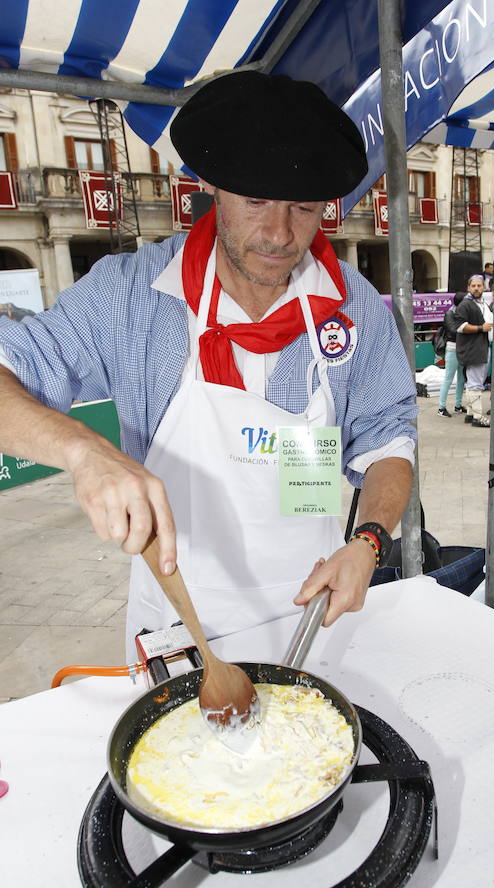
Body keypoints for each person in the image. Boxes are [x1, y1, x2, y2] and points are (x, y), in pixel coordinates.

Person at [0, 71, 417, 662]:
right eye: (255, 201)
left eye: (302, 208)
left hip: (312, 617)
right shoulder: (130, 296)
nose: (278, 234)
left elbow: (389, 441)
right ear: (212, 188)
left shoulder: (354, 309)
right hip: (180, 625)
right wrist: (83, 452)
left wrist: (370, 541)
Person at [454, 274, 493, 428]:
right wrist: (480, 328)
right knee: (475, 384)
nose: (476, 288)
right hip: (472, 348)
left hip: (479, 346)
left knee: (474, 382)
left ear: (484, 287)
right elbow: (459, 326)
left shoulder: (481, 304)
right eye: (473, 286)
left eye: (479, 285)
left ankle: (470, 414)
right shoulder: (465, 305)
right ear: (468, 288)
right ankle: (477, 416)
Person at [437, 291, 466, 417]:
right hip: (452, 348)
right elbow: (452, 330)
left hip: (463, 348)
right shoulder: (450, 313)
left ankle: (458, 405)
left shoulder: (463, 314)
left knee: (461, 379)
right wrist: (466, 328)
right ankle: (441, 407)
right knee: (448, 379)